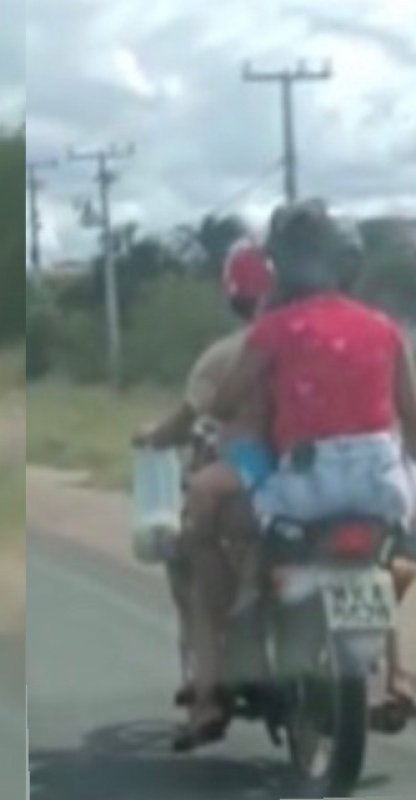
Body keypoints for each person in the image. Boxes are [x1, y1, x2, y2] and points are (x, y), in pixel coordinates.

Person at [183, 199, 416, 750]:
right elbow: (412, 416)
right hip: (381, 484)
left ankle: (240, 649)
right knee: (396, 555)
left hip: (306, 483)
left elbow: (224, 402)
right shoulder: (383, 328)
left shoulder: (274, 331)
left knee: (259, 547)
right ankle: (398, 668)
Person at [134, 239, 275, 726]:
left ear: (233, 294)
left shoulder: (225, 355)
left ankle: (209, 690)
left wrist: (152, 437)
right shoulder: (314, 342)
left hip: (249, 483)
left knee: (192, 552)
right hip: (313, 478)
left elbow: (187, 420)